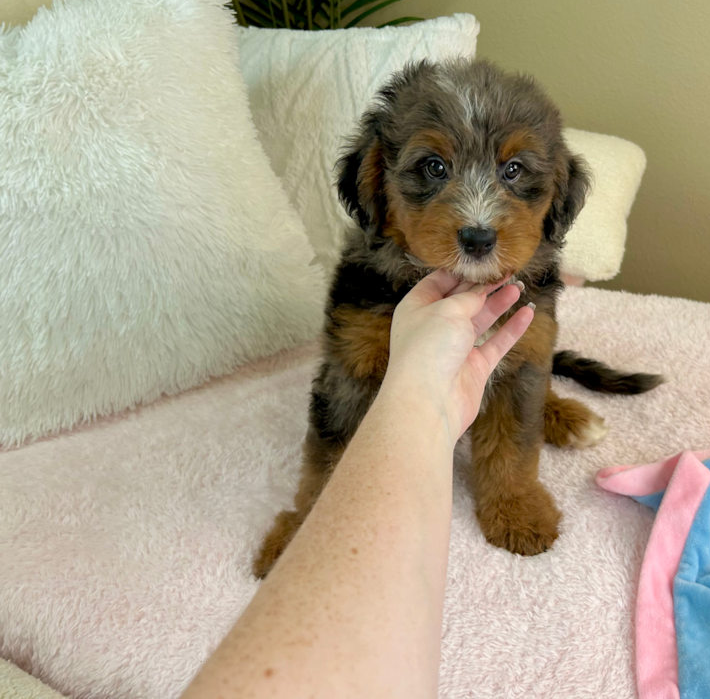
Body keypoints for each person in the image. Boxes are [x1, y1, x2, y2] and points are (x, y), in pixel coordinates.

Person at [180, 270, 533, 699]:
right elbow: (339, 408)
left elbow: (522, 376)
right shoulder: (365, 286)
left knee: (518, 370)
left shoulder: (532, 289)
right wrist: (316, 520)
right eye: (426, 193)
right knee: (346, 399)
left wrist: (511, 491)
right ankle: (312, 513)